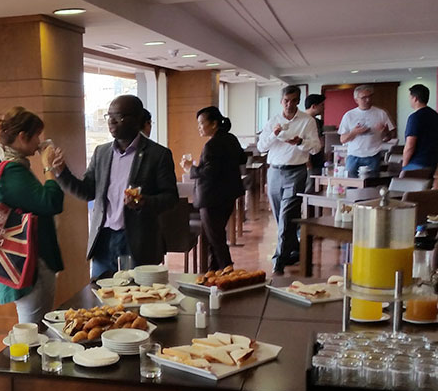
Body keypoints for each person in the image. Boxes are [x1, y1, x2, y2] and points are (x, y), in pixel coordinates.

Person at [0, 106, 64, 391]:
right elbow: (50, 202)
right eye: (36, 137)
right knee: (30, 336)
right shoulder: (13, 172)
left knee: (35, 329)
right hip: (27, 264)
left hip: (25, 260)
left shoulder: (0, 160)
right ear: (21, 137)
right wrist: (49, 169)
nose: (40, 143)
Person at [53, 95, 179, 278]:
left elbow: (170, 198)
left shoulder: (158, 154)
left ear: (136, 119)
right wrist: (62, 173)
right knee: (101, 291)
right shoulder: (101, 153)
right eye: (109, 116)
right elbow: (87, 191)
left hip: (137, 241)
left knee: (136, 293)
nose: (111, 121)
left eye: (118, 116)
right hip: (103, 240)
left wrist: (143, 202)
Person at [258, 85, 320, 275]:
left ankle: (279, 261)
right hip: (275, 171)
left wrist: (300, 142)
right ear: (281, 101)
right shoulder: (273, 121)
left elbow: (316, 147)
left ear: (298, 101)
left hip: (296, 171)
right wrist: (274, 134)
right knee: (282, 218)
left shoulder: (307, 121)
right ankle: (295, 249)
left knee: (286, 216)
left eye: (293, 101)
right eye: (286, 101)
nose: (289, 104)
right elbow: (261, 147)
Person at [181, 106, 246, 271]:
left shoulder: (212, 145)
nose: (199, 127)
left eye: (201, 123)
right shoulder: (231, 138)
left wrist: (190, 168)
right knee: (215, 235)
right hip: (228, 196)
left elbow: (208, 173)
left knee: (216, 239)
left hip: (211, 199)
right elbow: (242, 158)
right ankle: (213, 271)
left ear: (214, 124)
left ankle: (227, 269)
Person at [338, 85, 395, 177]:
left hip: (373, 155)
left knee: (372, 183)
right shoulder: (349, 115)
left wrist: (385, 131)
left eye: (370, 96)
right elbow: (342, 140)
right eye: (364, 98)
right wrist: (354, 132)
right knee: (351, 182)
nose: (368, 100)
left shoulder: (381, 113)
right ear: (356, 100)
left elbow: (389, 137)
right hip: (353, 156)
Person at [403, 84, 438, 175]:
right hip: (433, 162)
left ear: (415, 98)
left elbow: (410, 145)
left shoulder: (415, 117)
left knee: (399, 182)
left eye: (410, 97)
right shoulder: (435, 115)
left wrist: (404, 166)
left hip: (417, 163)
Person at [304, 94, 326, 193]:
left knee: (317, 188)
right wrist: (307, 162)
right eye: (322, 105)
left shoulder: (318, 122)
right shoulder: (303, 121)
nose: (324, 107)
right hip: (309, 160)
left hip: (318, 158)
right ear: (314, 106)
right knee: (309, 187)